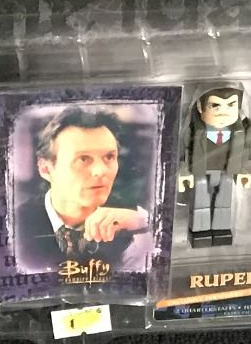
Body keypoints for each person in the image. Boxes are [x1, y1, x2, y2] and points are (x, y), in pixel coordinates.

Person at [12, 105, 149, 272]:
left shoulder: (136, 222)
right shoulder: (15, 228)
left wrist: (143, 226)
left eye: (109, 157)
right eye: (83, 159)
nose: (101, 171)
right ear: (45, 169)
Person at [179, 84, 251, 244]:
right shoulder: (193, 130)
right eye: (215, 106)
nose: (223, 113)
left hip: (226, 172)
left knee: (224, 200)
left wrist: (245, 170)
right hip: (201, 172)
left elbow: (247, 151)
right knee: (200, 201)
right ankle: (200, 232)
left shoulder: (241, 131)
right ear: (200, 107)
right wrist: (183, 171)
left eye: (231, 105)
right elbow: (183, 150)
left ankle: (222, 230)